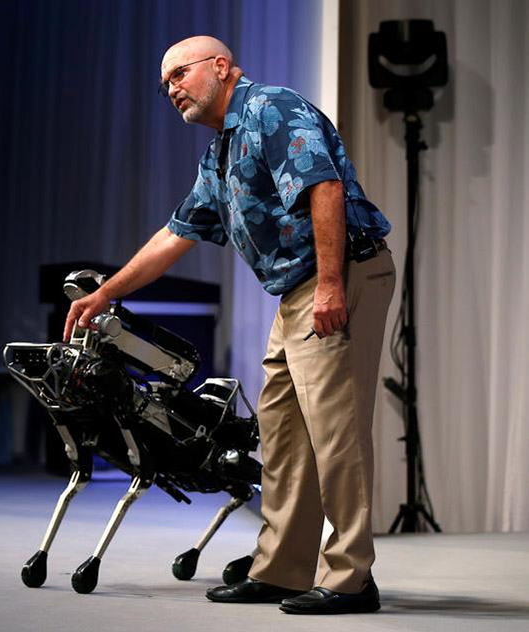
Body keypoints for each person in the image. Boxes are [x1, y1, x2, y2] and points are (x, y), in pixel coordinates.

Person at [63, 36, 394, 614]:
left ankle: (350, 578)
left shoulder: (271, 109)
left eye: (179, 74)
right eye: (164, 83)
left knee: (335, 429)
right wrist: (106, 294)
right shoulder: (218, 153)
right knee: (283, 432)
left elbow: (326, 187)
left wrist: (333, 284)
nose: (171, 89)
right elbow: (175, 235)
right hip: (296, 290)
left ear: (221, 68)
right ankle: (284, 569)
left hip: (338, 272)